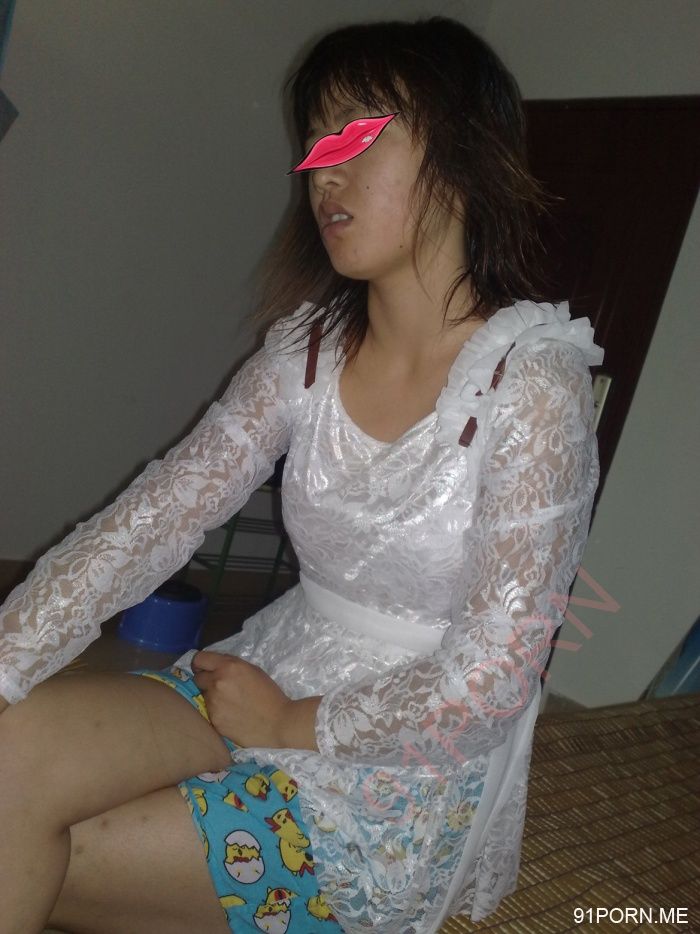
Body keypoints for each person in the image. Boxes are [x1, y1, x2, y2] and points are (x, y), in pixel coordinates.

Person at [0, 16, 604, 934]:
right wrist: (6, 660)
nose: (323, 170)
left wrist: (294, 724)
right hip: (265, 670)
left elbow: (493, 678)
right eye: (317, 143)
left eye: (358, 135)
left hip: (398, 768)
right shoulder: (307, 352)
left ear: (464, 156)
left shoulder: (534, 384)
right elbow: (155, 517)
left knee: (52, 841)